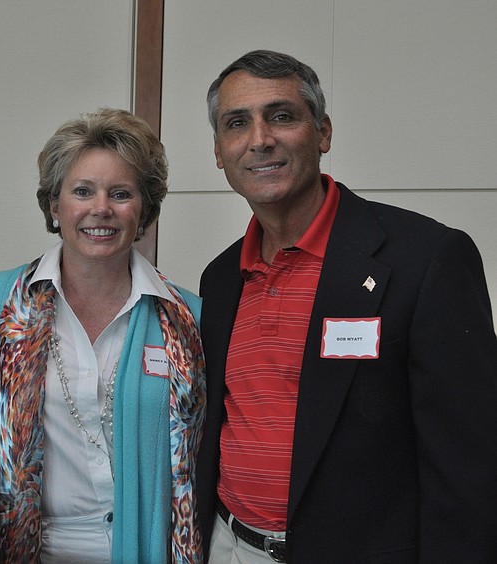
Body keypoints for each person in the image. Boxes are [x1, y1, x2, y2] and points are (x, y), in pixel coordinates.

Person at [196, 49, 497, 563]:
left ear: (324, 132)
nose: (260, 139)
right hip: (230, 547)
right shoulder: (221, 278)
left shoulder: (425, 259)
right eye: (237, 123)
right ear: (220, 151)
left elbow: (470, 464)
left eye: (282, 116)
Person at [0, 108, 207, 563]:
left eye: (121, 194)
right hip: (32, 551)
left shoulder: (187, 317)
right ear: (53, 205)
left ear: (144, 210)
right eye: (82, 191)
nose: (101, 208)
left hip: (148, 550)